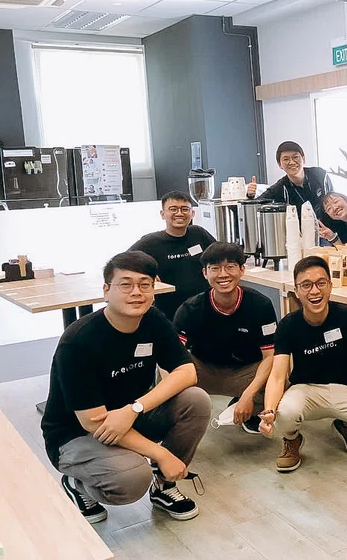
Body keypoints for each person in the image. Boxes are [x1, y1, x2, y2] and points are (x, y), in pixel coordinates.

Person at [41, 251, 211, 524]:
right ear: (106, 290)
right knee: (132, 479)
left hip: (129, 416)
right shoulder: (78, 342)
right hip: (76, 435)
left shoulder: (152, 320)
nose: (136, 292)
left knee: (196, 401)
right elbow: (93, 423)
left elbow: (187, 371)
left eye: (145, 284)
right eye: (126, 284)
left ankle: (164, 486)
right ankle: (76, 483)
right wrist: (160, 453)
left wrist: (135, 408)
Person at [258, 256, 347, 472]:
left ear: (330, 286)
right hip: (306, 390)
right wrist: (268, 411)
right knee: (283, 414)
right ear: (297, 291)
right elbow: (277, 376)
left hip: (346, 388)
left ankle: (345, 425)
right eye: (306, 285)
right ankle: (292, 440)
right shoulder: (289, 325)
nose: (314, 291)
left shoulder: (346, 316)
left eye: (320, 283)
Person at [174, 243, 277, 435]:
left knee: (281, 374)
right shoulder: (190, 309)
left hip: (244, 373)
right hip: (203, 371)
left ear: (242, 270)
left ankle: (249, 409)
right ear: (205, 273)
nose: (223, 274)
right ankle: (175, 425)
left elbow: (269, 356)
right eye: (215, 268)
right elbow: (172, 357)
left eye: (230, 266)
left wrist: (248, 394)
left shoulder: (261, 304)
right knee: (164, 372)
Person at [129, 191, 215, 321]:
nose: (179, 213)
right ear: (163, 214)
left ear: (192, 213)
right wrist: (144, 273)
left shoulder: (199, 233)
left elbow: (221, 253)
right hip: (168, 313)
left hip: (204, 308)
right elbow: (122, 262)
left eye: (184, 209)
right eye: (173, 209)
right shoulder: (151, 242)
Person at [246, 141, 332, 220]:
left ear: (303, 159)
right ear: (280, 164)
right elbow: (256, 206)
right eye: (286, 159)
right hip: (300, 232)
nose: (291, 162)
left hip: (330, 228)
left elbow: (333, 198)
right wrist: (250, 196)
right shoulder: (279, 188)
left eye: (295, 157)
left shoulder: (320, 174)